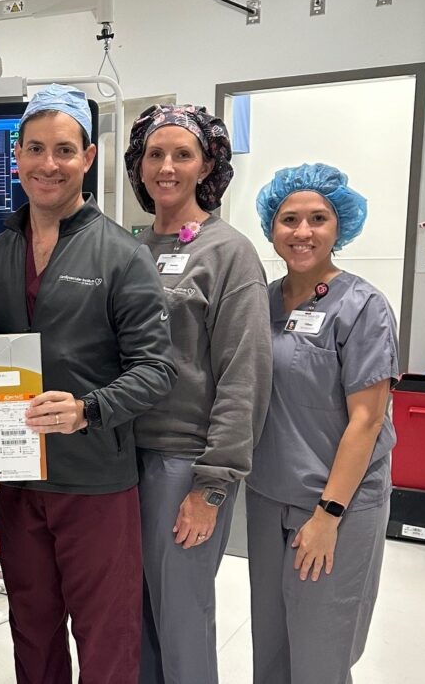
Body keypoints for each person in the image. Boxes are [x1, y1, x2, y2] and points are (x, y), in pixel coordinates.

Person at [0, 84, 176, 684]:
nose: (48, 164)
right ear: (17, 156)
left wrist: (89, 409)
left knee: (106, 635)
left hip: (95, 481)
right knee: (31, 633)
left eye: (64, 150)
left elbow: (157, 369)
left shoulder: (120, 254)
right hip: (17, 480)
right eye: (34, 148)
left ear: (89, 157)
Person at [123, 104, 272, 684]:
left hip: (182, 464)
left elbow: (245, 374)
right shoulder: (128, 246)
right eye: (155, 154)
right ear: (138, 164)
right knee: (131, 618)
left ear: (206, 163)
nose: (166, 166)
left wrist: (212, 486)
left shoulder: (227, 253)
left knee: (181, 617)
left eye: (181, 154)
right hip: (119, 460)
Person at [247, 163, 398, 684]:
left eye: (318, 218)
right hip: (268, 494)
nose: (302, 232)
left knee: (320, 651)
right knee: (269, 646)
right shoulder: (261, 301)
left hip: (337, 503)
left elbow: (367, 420)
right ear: (272, 226)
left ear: (340, 227)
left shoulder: (363, 307)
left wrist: (328, 514)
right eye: (289, 219)